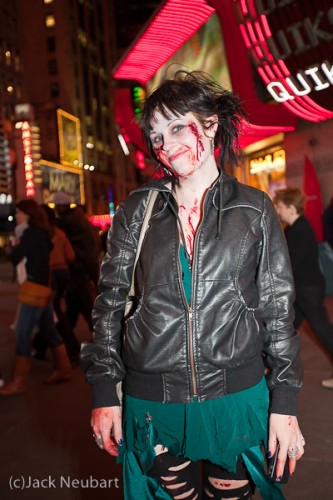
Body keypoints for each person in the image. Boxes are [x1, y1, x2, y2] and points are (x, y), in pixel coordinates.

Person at [81, 71, 304, 499]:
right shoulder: (136, 209)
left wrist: (285, 404)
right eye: (156, 136)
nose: (166, 145)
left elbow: (277, 313)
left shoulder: (254, 209)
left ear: (211, 124)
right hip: (154, 404)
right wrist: (104, 391)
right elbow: (108, 304)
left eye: (177, 126)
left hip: (235, 398)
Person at [0, 199, 71, 396]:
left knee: (22, 333)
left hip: (33, 289)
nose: (17, 216)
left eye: (20, 212)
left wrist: (14, 247)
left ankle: (19, 381)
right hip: (44, 287)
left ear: (29, 214)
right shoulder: (43, 233)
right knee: (48, 329)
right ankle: (64, 369)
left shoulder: (29, 233)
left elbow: (15, 257)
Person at [274, 187, 333, 390]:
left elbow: (289, 263)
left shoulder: (300, 230)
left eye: (280, 206)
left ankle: (269, 366)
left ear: (290, 208)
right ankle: (269, 366)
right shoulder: (295, 228)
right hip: (303, 291)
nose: (278, 210)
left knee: (324, 332)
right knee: (286, 330)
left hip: (307, 291)